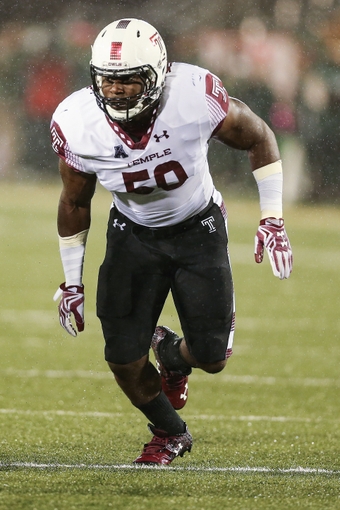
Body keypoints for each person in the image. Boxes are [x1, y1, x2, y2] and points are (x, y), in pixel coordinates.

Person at [51, 18, 293, 465]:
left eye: (129, 80)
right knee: (122, 357)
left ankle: (171, 354)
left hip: (196, 228)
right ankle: (169, 432)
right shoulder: (76, 121)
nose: (117, 90)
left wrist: (272, 217)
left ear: (158, 74)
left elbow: (259, 136)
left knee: (212, 356)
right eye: (108, 80)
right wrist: (71, 280)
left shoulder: (193, 94)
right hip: (132, 235)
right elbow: (75, 202)